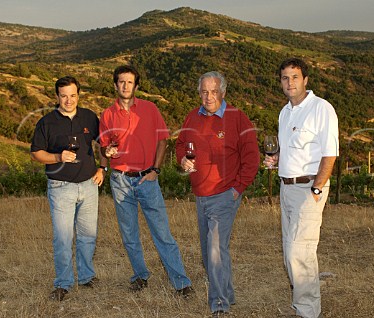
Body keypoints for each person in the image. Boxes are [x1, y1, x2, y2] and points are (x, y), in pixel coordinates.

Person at [99, 65, 193, 297]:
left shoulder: (150, 109)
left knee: (162, 233)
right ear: (115, 85)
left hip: (147, 180)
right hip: (120, 181)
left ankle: (181, 282)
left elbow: (163, 140)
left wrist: (156, 170)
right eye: (121, 81)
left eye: (129, 82)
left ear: (136, 86)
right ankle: (140, 276)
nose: (125, 86)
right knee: (129, 234)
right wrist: (107, 152)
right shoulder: (107, 114)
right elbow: (103, 146)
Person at [175, 71, 260, 316]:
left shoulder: (237, 118)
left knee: (214, 250)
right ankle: (229, 293)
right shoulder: (193, 116)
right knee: (210, 251)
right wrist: (182, 160)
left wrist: (237, 189)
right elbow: (181, 144)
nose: (208, 97)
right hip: (200, 195)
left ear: (223, 93)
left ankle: (220, 304)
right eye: (204, 91)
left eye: (213, 91)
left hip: (224, 194)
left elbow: (252, 158)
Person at [264, 58, 339, 318]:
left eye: (295, 77)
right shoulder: (285, 112)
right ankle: (301, 303)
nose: (290, 82)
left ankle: (308, 312)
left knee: (300, 251)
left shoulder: (321, 108)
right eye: (285, 78)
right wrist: (276, 159)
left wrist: (317, 191)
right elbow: (290, 150)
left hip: (309, 188)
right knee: (289, 250)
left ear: (305, 80)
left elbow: (330, 155)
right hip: (287, 188)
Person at [31, 76, 107, 301]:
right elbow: (36, 153)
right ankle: (63, 283)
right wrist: (57, 156)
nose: (68, 100)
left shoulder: (89, 117)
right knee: (63, 238)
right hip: (60, 187)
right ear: (57, 97)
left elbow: (103, 143)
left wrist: (102, 168)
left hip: (89, 184)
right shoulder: (46, 122)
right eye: (64, 96)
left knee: (87, 235)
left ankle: (86, 277)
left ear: (78, 95)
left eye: (73, 95)